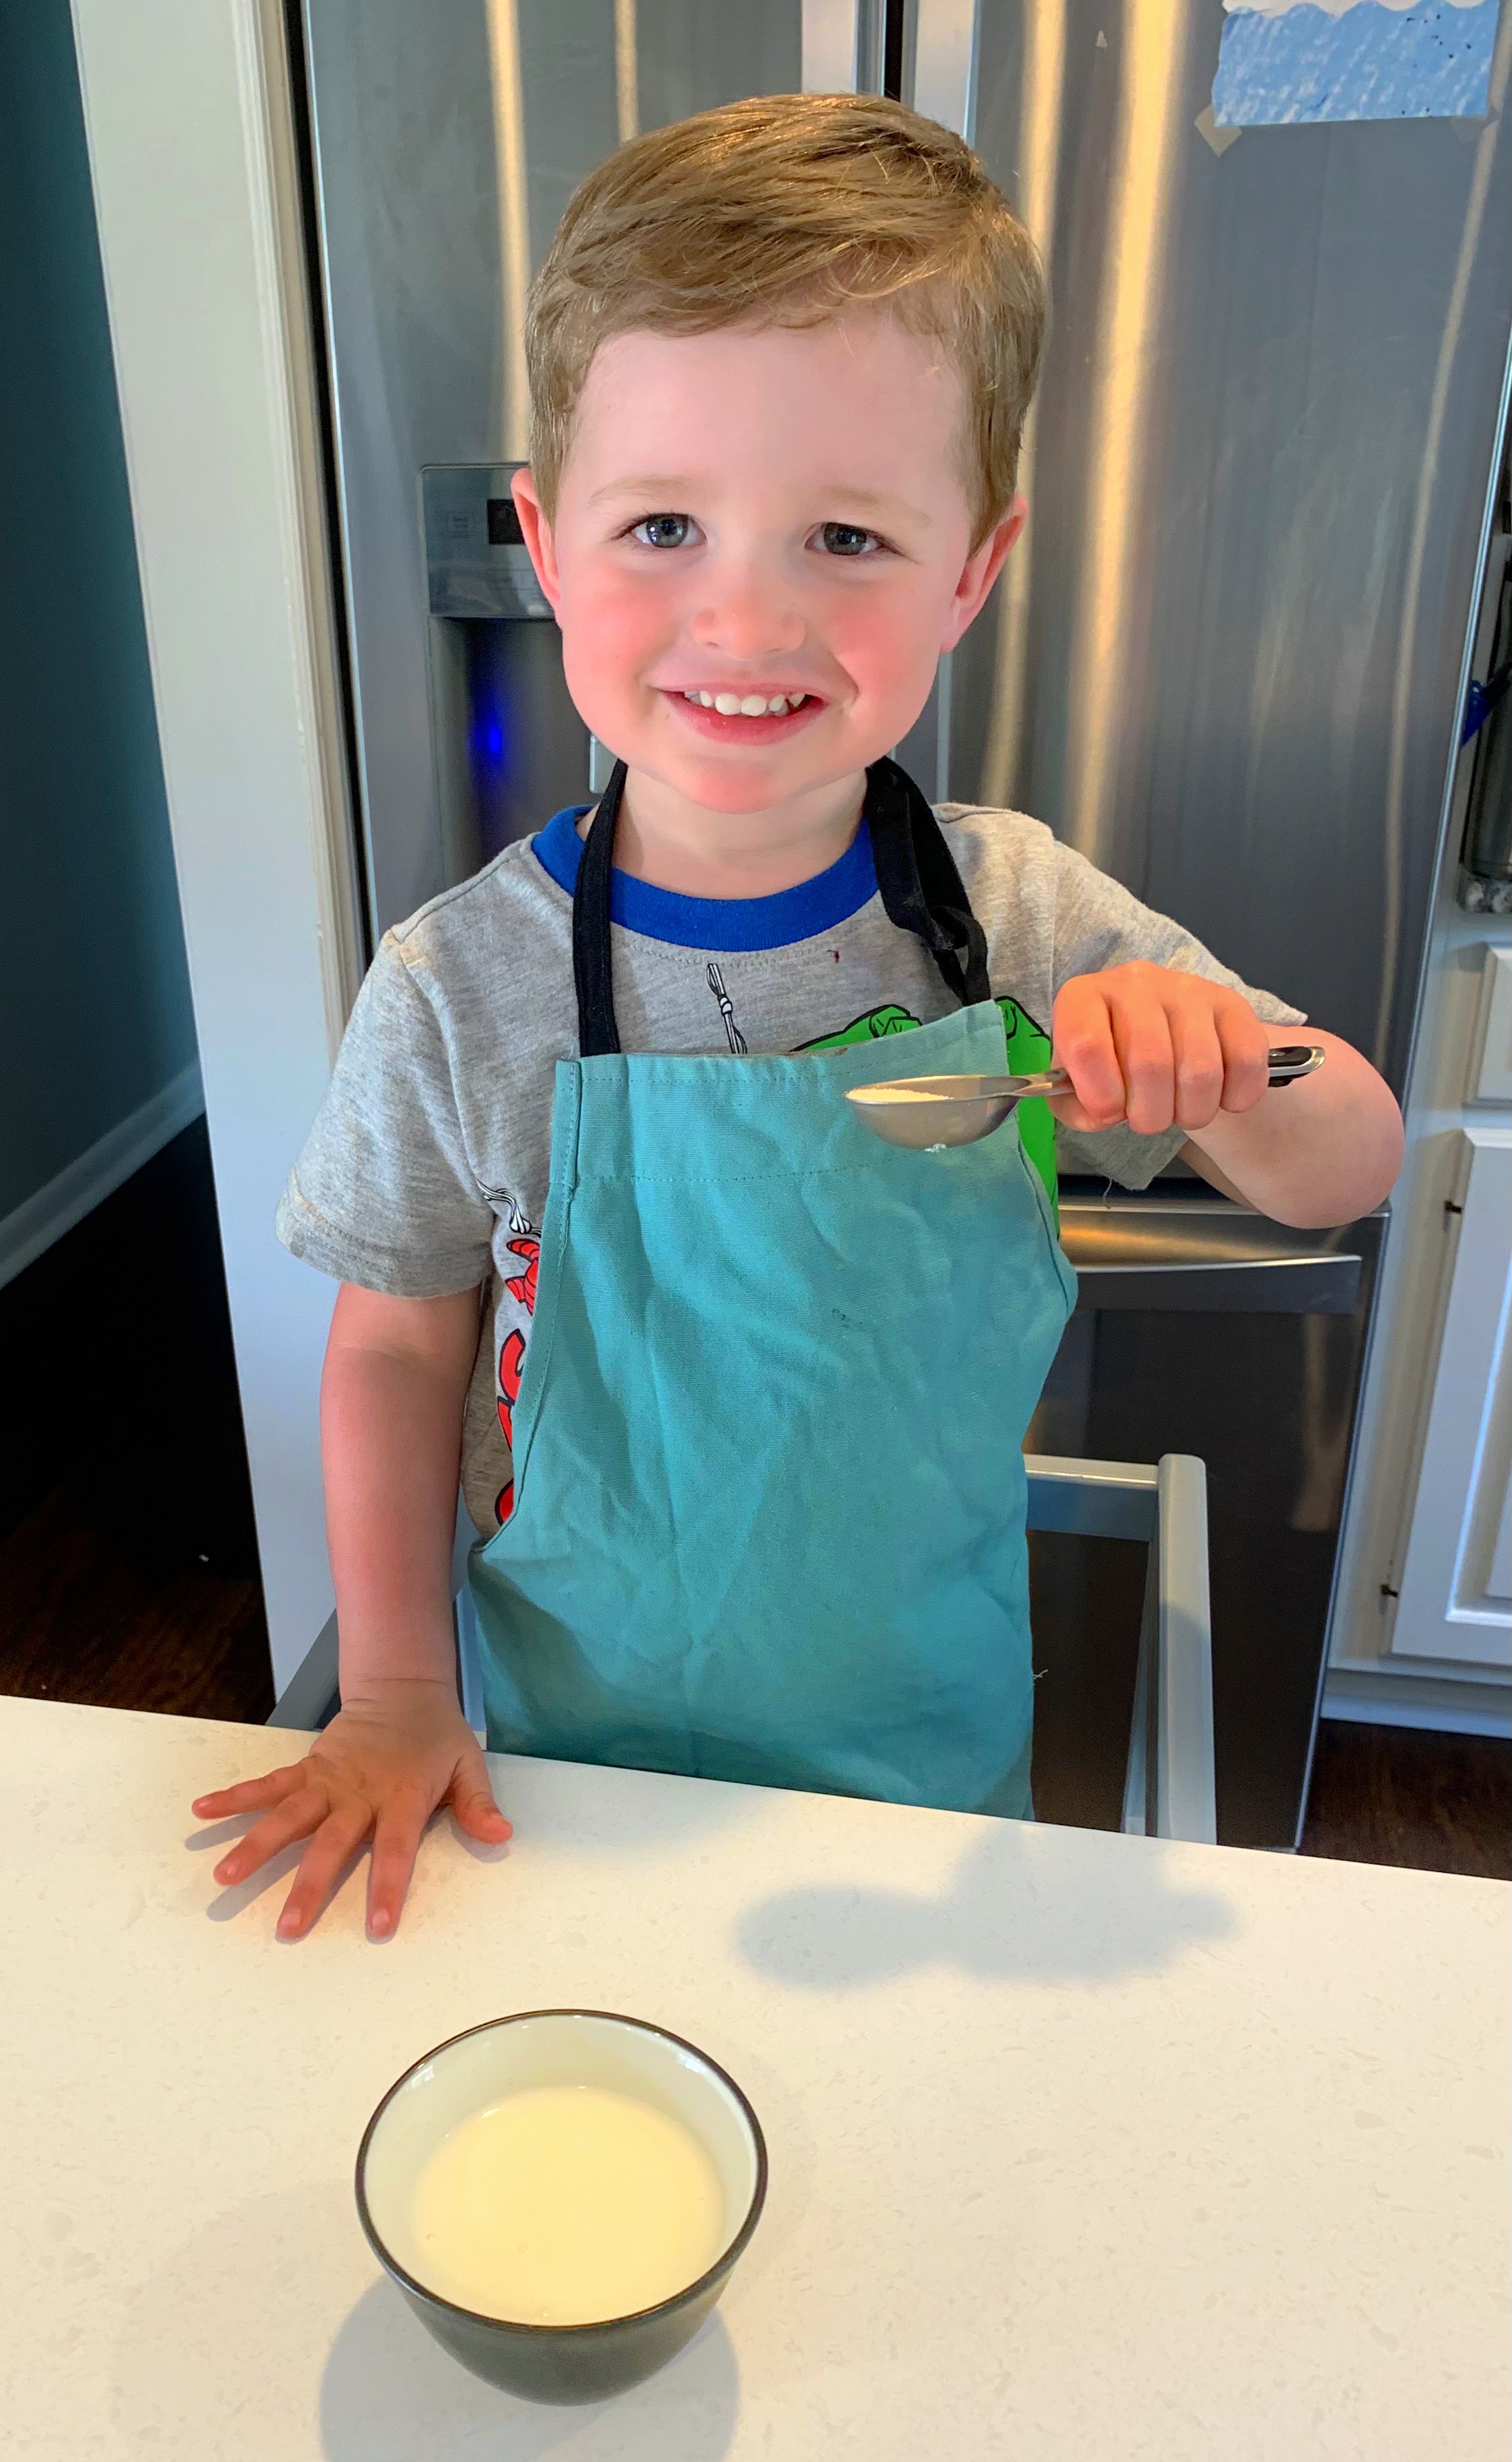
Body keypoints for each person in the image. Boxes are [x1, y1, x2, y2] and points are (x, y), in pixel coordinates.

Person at [194, 95, 1401, 1940]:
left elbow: (1345, 1166)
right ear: (544, 540)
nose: (744, 617)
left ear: (973, 571)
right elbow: (391, 1354)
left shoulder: (1024, 921)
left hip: (919, 1795)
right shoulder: (457, 988)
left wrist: (1238, 1066)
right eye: (664, 523)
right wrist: (397, 1691)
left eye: (844, 535)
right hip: (552, 1785)